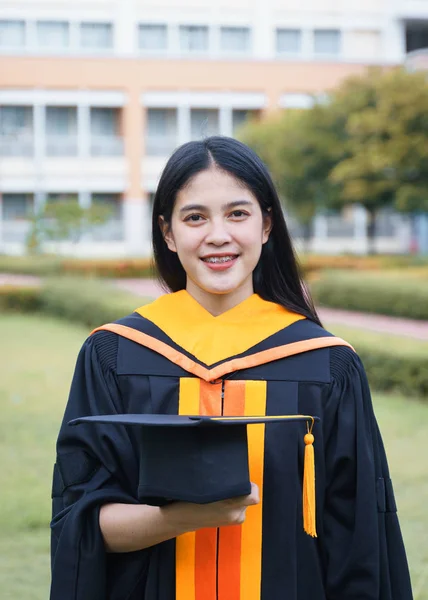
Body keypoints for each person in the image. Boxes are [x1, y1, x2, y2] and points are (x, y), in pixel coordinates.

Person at [50, 136, 412, 600]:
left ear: (266, 225)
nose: (217, 234)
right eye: (195, 217)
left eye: (237, 213)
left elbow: (359, 542)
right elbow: (78, 524)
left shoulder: (326, 363)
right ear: (167, 233)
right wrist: (181, 518)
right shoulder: (114, 355)